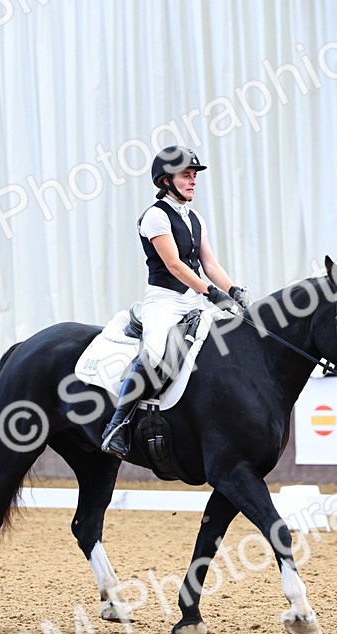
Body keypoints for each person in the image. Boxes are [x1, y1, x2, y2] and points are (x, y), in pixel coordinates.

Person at [100, 146, 251, 458]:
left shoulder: (195, 218)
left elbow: (209, 264)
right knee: (156, 354)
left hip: (194, 300)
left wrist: (234, 289)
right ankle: (117, 424)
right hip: (164, 301)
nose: (193, 181)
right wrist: (211, 293)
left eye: (194, 175)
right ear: (166, 180)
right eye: (186, 175)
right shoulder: (155, 216)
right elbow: (175, 266)